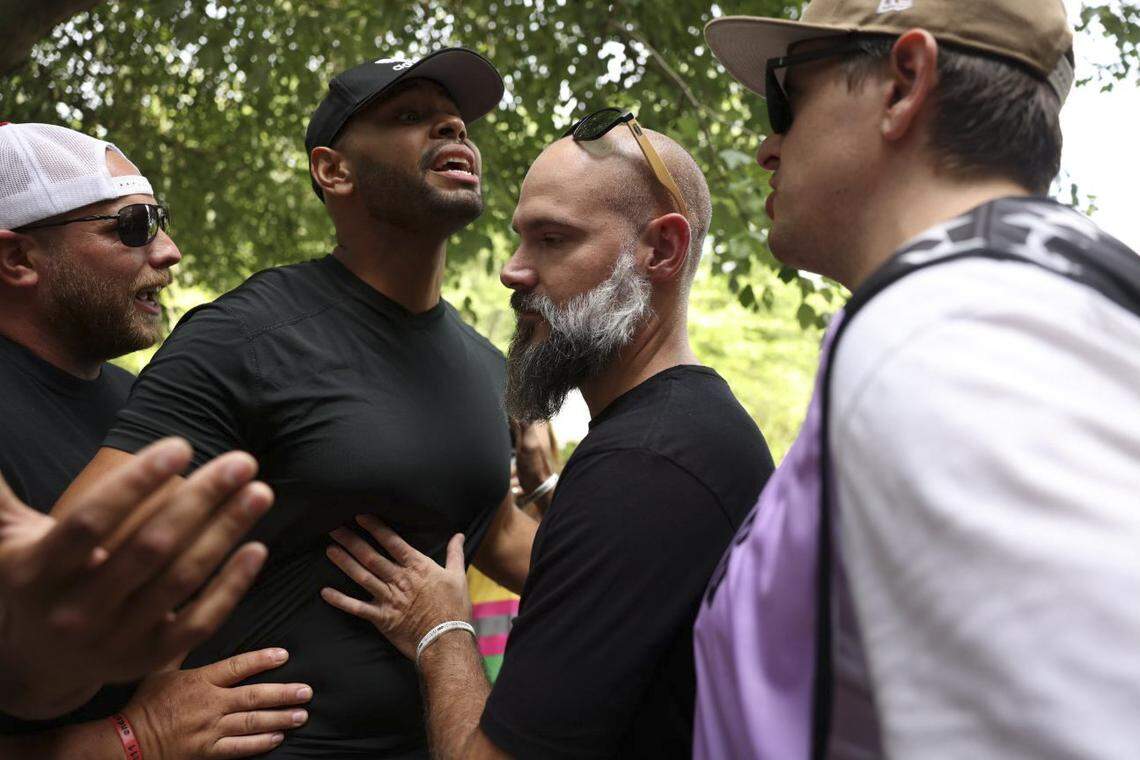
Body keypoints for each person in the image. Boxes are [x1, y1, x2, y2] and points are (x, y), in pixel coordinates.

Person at [57, 48, 538, 757]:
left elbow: (494, 530)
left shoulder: (487, 365)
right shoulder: (244, 336)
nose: (452, 131)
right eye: (411, 116)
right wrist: (141, 716)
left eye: (457, 122)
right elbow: (78, 548)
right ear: (332, 169)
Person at [693, 1, 1140, 758]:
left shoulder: (959, 335)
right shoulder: (1002, 305)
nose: (769, 146)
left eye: (787, 97)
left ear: (903, 83)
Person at [320, 113, 775, 757]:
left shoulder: (646, 465)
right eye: (520, 238)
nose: (513, 270)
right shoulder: (686, 432)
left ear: (663, 250)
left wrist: (441, 629)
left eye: (553, 239)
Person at [0, 122, 311, 755]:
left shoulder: (140, 402)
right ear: (17, 259)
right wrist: (139, 738)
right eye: (133, 226)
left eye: (158, 219)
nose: (168, 250)